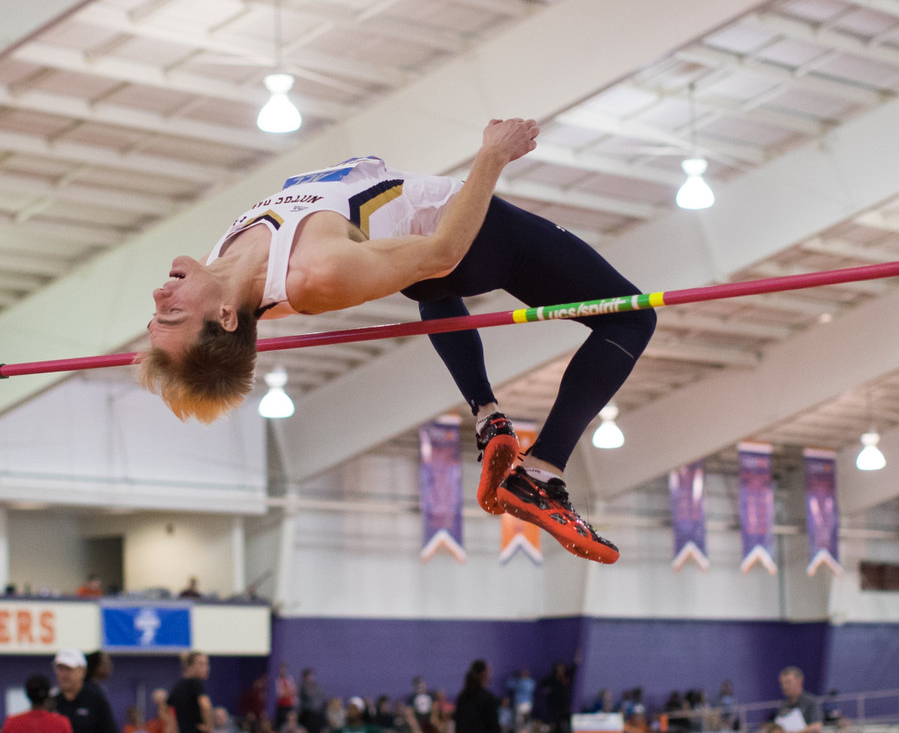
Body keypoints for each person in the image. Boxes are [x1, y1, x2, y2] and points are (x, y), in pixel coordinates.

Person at [140, 118, 656, 564]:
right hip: (473, 235)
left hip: (415, 247)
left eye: (156, 314)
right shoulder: (315, 274)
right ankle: (543, 473)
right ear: (226, 317)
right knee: (629, 316)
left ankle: (488, 416)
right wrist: (493, 155)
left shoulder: (222, 263)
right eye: (173, 313)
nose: (161, 293)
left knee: (419, 283)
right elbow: (443, 253)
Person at [776, 666, 823, 733]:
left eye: (788, 682)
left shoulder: (811, 702)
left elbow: (816, 727)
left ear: (799, 681)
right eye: (782, 683)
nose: (784, 686)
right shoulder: (783, 706)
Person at [541, 653, 580, 733]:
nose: (560, 670)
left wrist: (576, 661)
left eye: (562, 668)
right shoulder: (552, 680)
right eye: (558, 668)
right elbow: (544, 685)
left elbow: (573, 669)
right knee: (556, 730)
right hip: (555, 710)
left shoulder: (567, 678)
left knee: (568, 728)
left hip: (566, 708)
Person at [274, 662, 298, 731]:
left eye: (284, 669)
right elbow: (279, 694)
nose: (283, 671)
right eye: (281, 669)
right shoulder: (277, 680)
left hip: (289, 706)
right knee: (281, 723)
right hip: (281, 706)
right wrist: (288, 692)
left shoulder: (290, 679)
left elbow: (294, 691)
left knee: (290, 723)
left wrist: (287, 692)